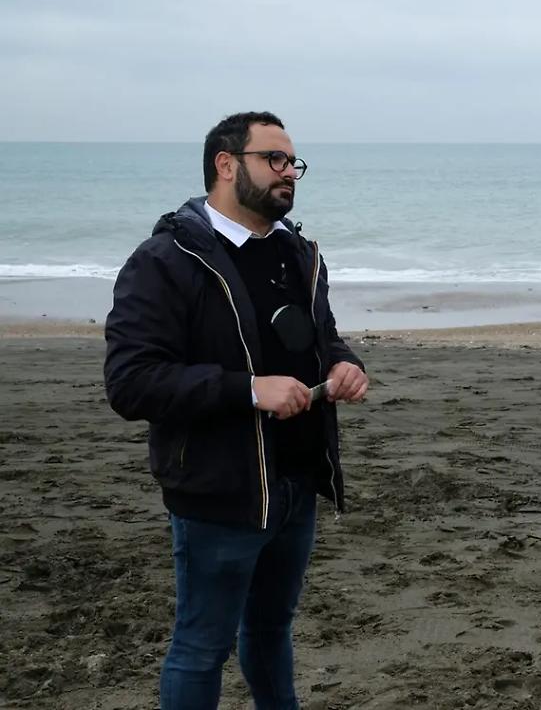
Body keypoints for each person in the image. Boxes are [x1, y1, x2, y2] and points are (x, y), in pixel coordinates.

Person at [104, 111, 369, 709]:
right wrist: (249, 389)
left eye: (292, 162)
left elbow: (318, 335)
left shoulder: (297, 252)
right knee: (202, 646)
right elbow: (130, 382)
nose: (289, 173)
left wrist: (341, 364)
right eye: (273, 159)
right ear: (226, 165)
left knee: (271, 631)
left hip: (298, 481)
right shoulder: (166, 260)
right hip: (220, 490)